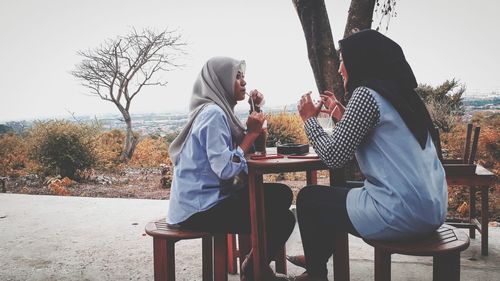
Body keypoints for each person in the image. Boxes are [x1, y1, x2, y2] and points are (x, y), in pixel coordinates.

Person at [293, 29, 448, 281]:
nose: (342, 68)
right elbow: (386, 141)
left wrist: (310, 121)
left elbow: (334, 157)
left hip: (403, 213)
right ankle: (317, 255)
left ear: (361, 60)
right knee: (340, 187)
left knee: (310, 200)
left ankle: (315, 273)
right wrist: (343, 116)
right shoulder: (403, 97)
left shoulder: (366, 93)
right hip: (432, 210)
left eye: (344, 60)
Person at [167, 56, 295, 281]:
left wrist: (255, 112)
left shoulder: (219, 112)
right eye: (236, 77)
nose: (243, 82)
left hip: (207, 201)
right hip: (199, 210)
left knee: (281, 197)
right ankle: (254, 270)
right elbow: (226, 169)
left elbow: (253, 151)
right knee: (282, 215)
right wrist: (252, 134)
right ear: (220, 82)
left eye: (243, 76)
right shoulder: (213, 114)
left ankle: (254, 267)